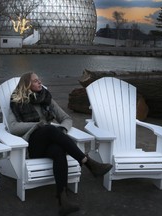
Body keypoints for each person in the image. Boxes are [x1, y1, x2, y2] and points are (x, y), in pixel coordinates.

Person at [8, 72, 112, 216]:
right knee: (49, 128)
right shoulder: (17, 101)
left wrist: (62, 129)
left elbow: (66, 118)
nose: (40, 83)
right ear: (27, 85)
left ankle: (63, 200)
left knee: (58, 150)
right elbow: (13, 127)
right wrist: (37, 125)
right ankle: (88, 162)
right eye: (36, 81)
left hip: (50, 140)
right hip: (31, 145)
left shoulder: (46, 98)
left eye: (40, 80)